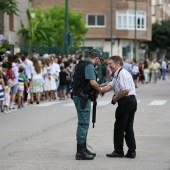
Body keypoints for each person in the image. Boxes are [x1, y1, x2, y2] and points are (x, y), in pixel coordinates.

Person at [100, 55, 137, 159]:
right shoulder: (117, 74)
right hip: (130, 101)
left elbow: (126, 90)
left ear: (117, 64)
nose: (109, 66)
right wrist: (98, 89)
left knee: (119, 127)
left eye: (110, 64)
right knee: (128, 127)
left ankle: (118, 151)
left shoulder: (122, 75)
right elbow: (109, 86)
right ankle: (131, 151)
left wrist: (116, 97)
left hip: (126, 101)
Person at [72, 49, 101, 160]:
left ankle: (83, 148)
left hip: (79, 95)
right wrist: (99, 89)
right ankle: (80, 152)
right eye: (99, 60)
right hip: (82, 97)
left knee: (83, 122)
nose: (99, 62)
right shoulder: (89, 65)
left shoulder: (82, 63)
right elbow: (92, 82)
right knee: (83, 123)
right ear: (97, 58)